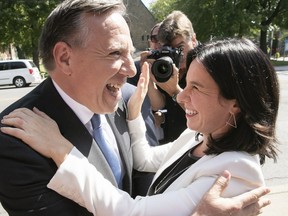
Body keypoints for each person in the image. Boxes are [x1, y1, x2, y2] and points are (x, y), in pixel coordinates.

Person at [1, 38, 277, 215]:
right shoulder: (199, 136)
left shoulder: (236, 173)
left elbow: (131, 212)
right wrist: (133, 117)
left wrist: (62, 150)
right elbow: (145, 160)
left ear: (237, 104)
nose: (180, 95)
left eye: (197, 88)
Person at [0, 0, 138, 215]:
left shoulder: (126, 97)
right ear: (65, 58)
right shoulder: (13, 141)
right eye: (115, 53)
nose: (131, 70)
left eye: (131, 53)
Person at [145, 11, 200, 143]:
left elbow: (205, 113)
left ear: (193, 39)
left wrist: (174, 91)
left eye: (180, 47)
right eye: (170, 49)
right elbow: (158, 104)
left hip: (198, 143)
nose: (177, 54)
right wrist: (146, 75)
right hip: (172, 143)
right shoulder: (167, 63)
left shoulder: (205, 63)